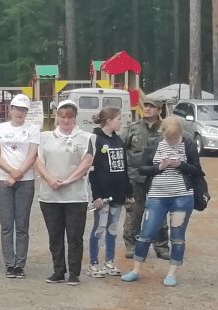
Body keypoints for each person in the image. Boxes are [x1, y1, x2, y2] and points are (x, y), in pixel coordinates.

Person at [121, 115, 206, 287]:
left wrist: (180, 164)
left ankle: (172, 273)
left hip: (182, 196)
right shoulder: (154, 144)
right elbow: (142, 169)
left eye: (175, 138)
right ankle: (135, 270)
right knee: (146, 232)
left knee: (177, 236)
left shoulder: (188, 144)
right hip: (157, 196)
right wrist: (158, 167)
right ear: (163, 133)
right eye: (169, 138)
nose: (172, 141)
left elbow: (197, 170)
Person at [35, 100, 95, 286]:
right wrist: (50, 179)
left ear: (75, 117)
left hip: (75, 195)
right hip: (50, 195)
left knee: (75, 235)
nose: (66, 120)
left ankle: (74, 273)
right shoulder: (44, 137)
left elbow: (87, 161)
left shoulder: (86, 137)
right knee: (55, 234)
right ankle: (58, 270)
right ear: (56, 117)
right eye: (62, 116)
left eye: (69, 117)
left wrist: (69, 180)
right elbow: (37, 160)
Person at [0, 95, 38, 279]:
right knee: (6, 224)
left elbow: (32, 154)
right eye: (17, 108)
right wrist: (12, 172)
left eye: (24, 109)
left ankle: (20, 264)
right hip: (4, 180)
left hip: (25, 181)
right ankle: (9, 263)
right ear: (11, 109)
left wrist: (19, 174)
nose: (20, 112)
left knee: (22, 224)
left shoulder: (32, 129)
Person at [123, 98, 171, 261]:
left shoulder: (166, 129)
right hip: (136, 178)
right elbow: (121, 150)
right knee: (134, 212)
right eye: (146, 106)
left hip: (159, 178)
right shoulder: (133, 129)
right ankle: (131, 245)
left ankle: (161, 245)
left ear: (159, 110)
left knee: (160, 212)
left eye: (152, 107)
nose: (148, 109)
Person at [87, 107, 130, 277]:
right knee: (100, 227)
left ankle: (109, 262)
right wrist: (96, 195)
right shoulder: (95, 139)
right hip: (103, 196)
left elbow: (124, 167)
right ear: (109, 120)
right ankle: (93, 263)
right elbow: (92, 170)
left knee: (113, 228)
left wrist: (128, 191)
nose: (121, 122)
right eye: (119, 119)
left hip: (118, 194)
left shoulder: (118, 140)